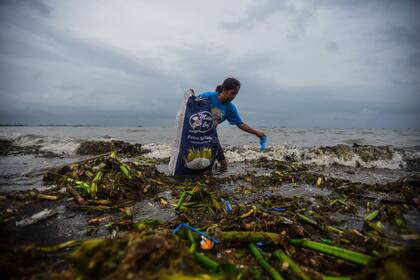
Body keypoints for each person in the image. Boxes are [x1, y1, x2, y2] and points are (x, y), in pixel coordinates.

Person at [200, 77, 266, 170]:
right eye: (233, 93)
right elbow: (192, 105)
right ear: (224, 89)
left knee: (224, 164)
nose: (234, 96)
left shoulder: (230, 108)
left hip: (211, 135)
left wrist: (257, 133)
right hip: (195, 132)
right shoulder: (208, 96)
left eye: (236, 94)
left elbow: (240, 124)